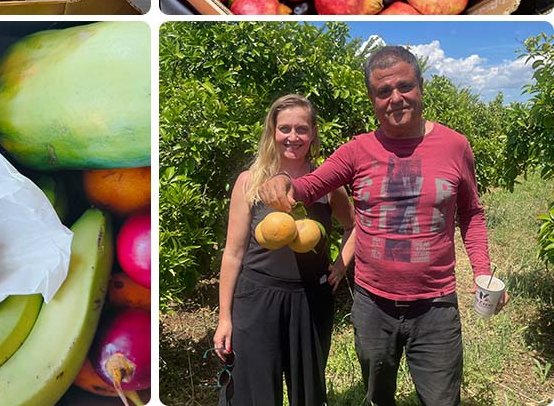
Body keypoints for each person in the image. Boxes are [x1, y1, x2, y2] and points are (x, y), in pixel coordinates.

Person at [260, 46, 507, 406]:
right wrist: (283, 182)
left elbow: (471, 212)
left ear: (421, 87)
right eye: (383, 91)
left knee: (442, 400)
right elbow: (310, 185)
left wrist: (483, 271)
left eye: (405, 86)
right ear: (372, 99)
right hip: (373, 304)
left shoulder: (455, 146)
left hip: (435, 305)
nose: (396, 98)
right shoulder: (357, 151)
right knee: (378, 397)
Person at [214, 94, 356, 405]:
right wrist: (225, 317)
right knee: (253, 392)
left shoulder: (327, 184)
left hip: (310, 298)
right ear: (273, 131)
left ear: (314, 133)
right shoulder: (250, 182)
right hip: (256, 297)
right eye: (285, 129)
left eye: (302, 129)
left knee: (308, 391)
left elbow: (354, 226)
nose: (293, 137)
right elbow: (233, 253)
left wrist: (340, 265)